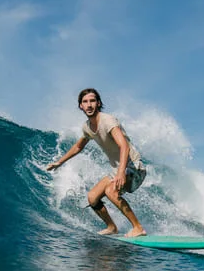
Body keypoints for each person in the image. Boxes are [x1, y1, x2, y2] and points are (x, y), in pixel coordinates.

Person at [47, 88, 147, 238]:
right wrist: (59, 163)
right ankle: (112, 227)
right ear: (80, 105)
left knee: (110, 191)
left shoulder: (108, 121)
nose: (89, 105)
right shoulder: (87, 127)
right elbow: (78, 146)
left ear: (98, 103)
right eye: (85, 102)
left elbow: (124, 146)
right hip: (118, 168)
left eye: (92, 101)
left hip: (134, 166)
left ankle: (138, 228)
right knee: (93, 197)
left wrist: (121, 173)